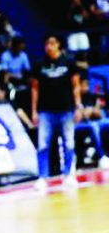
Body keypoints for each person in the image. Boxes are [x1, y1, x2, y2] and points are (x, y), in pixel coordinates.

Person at [32, 35, 82, 191]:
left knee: (69, 143)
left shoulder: (68, 62)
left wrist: (78, 106)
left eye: (52, 43)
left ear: (58, 44)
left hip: (66, 110)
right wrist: (34, 111)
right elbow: (35, 88)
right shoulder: (39, 64)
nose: (49, 46)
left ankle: (68, 175)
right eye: (47, 43)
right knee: (42, 145)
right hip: (46, 111)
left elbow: (76, 86)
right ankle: (42, 177)